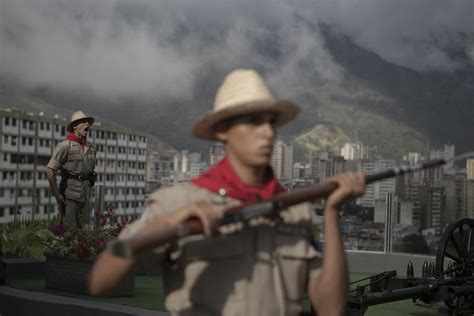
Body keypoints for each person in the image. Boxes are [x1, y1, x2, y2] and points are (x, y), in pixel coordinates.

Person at [88, 69, 365, 316]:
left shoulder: (296, 211)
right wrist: (169, 222)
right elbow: (100, 282)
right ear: (222, 130)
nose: (268, 132)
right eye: (254, 121)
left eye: (271, 122)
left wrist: (332, 212)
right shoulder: (177, 202)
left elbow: (330, 308)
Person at [47, 110, 97, 229]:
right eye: (83, 122)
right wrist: (56, 194)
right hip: (70, 195)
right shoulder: (65, 146)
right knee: (69, 231)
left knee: (85, 230)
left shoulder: (92, 148)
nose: (87, 125)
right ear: (75, 126)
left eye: (88, 123)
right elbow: (50, 169)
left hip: (87, 194)